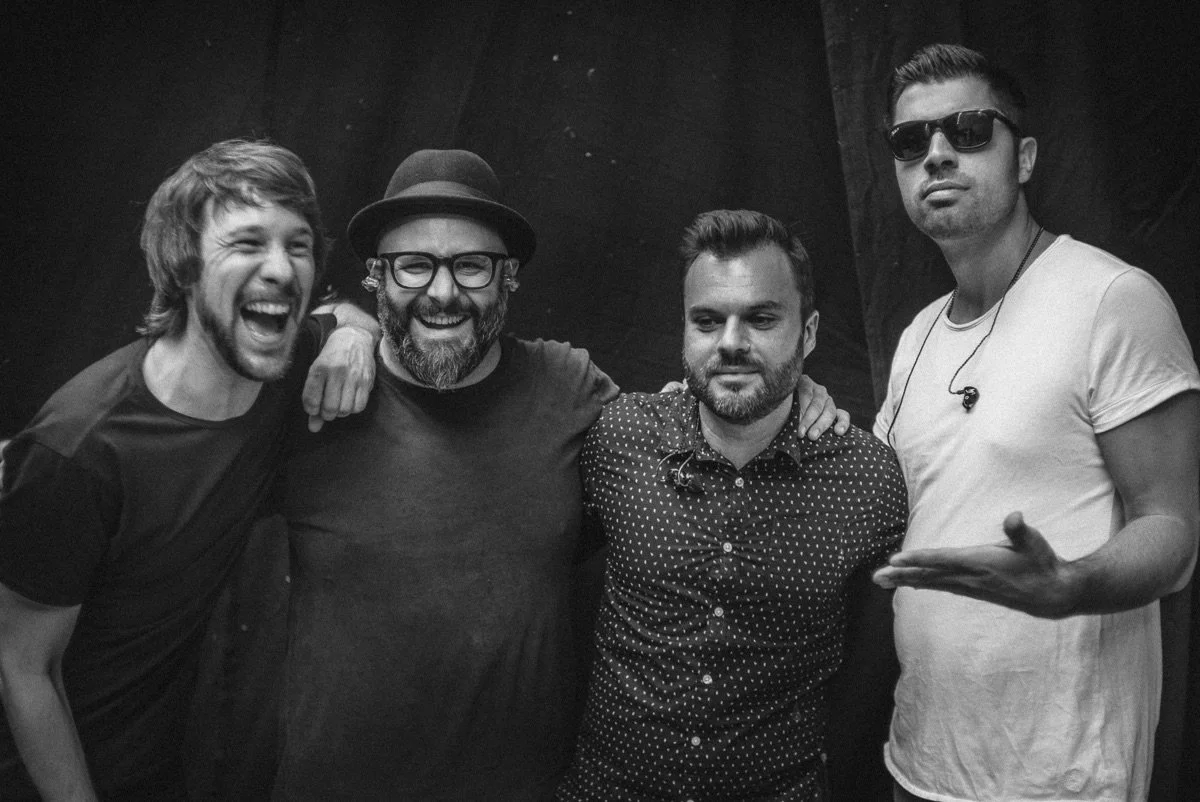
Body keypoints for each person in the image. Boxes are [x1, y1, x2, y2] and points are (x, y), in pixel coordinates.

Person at [269, 152, 845, 801]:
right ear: (376, 277)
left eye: (472, 265)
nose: (443, 292)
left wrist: (788, 387)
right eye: (413, 265)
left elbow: (702, 420)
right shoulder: (314, 393)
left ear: (508, 277)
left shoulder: (568, 387)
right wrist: (343, 326)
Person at [0, 139, 377, 801]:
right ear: (183, 265)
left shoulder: (278, 368)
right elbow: (22, 667)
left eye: (298, 246)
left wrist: (355, 335)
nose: (282, 269)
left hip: (158, 769)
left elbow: (338, 312)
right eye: (247, 243)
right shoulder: (80, 447)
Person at [871, 44, 1200, 802]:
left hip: (1061, 778)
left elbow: (1174, 533)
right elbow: (886, 503)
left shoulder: (1111, 298)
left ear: (1023, 158)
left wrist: (1071, 585)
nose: (937, 153)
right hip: (921, 762)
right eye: (910, 140)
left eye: (969, 130)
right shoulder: (918, 335)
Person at [556, 209, 907, 801]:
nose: (730, 343)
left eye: (762, 319)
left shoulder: (867, 478)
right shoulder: (619, 437)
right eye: (707, 320)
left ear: (809, 333)